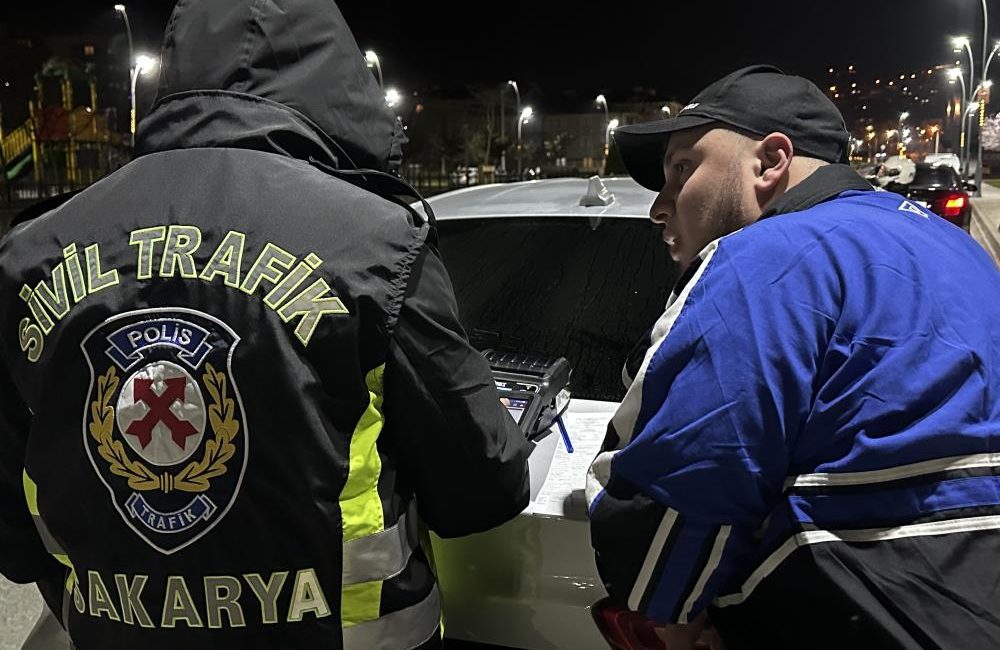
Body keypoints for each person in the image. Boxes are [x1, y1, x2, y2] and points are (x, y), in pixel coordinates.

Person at [0, 1, 531, 648]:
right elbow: (486, 488)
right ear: (333, 79)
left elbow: (16, 543)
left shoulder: (28, 258)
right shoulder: (375, 246)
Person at [586, 64, 1000, 649]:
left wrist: (667, 610)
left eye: (682, 169)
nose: (661, 206)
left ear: (770, 161)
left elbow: (670, 512)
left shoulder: (763, 256)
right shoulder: (956, 247)